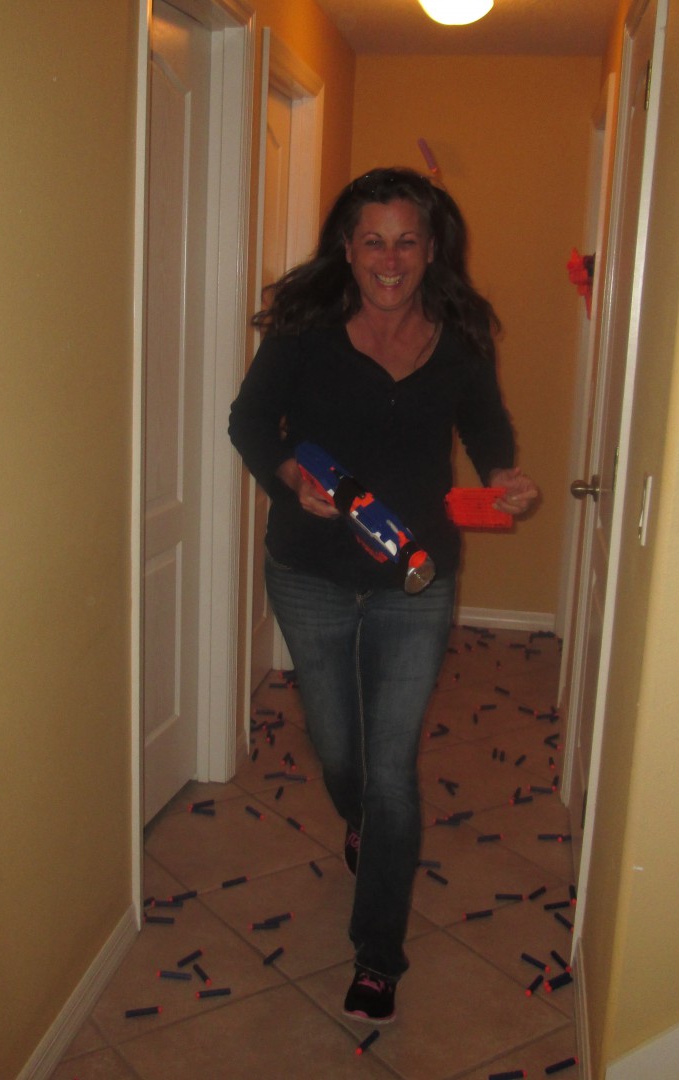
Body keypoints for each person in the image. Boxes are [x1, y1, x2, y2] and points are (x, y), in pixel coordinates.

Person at [228, 167, 538, 1024]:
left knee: (392, 769)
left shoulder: (460, 334)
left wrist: (501, 473)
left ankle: (377, 955)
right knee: (340, 753)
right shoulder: (305, 330)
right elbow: (248, 422)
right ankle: (361, 818)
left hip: (415, 576)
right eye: (373, 240)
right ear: (348, 246)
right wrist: (290, 476)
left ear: (431, 249)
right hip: (311, 573)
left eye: (407, 241)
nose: (389, 260)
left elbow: (485, 423)